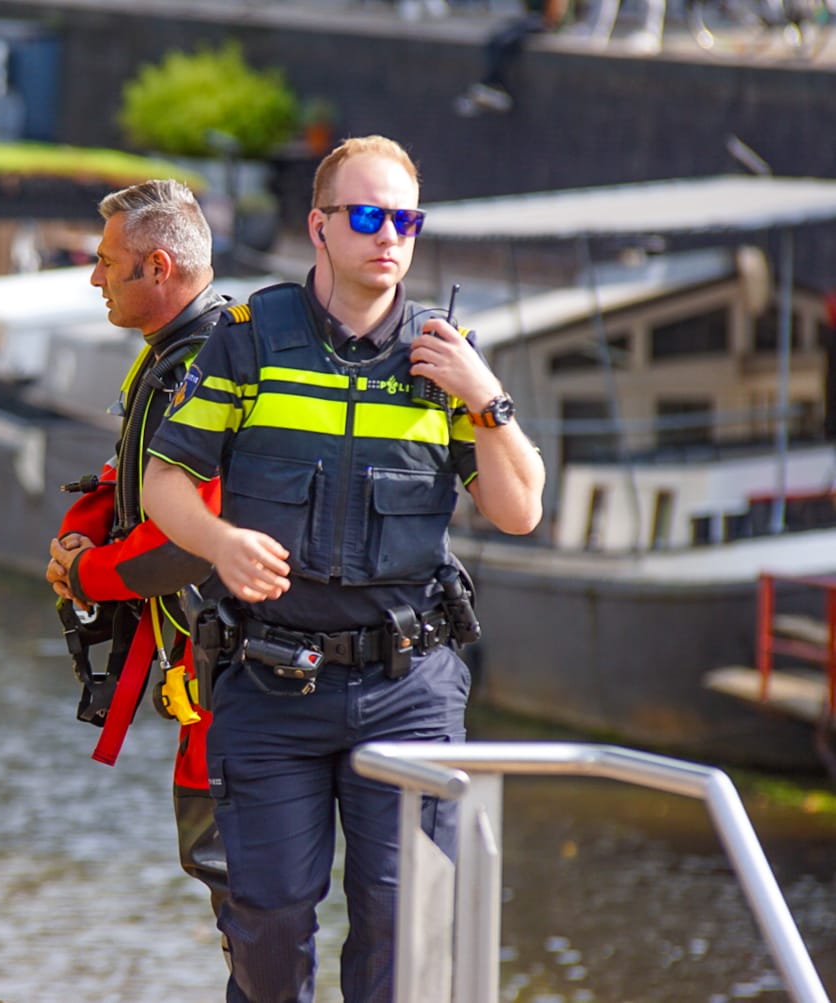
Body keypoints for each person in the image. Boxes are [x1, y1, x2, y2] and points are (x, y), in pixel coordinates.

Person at [141, 135, 545, 1003]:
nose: (389, 235)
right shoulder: (250, 340)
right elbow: (163, 480)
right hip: (270, 683)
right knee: (269, 924)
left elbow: (520, 509)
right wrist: (220, 542)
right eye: (367, 216)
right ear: (319, 226)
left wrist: (487, 398)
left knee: (403, 931)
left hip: (409, 691)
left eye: (406, 219)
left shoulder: (446, 358)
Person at [45, 179, 230, 922]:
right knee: (226, 874)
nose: (95, 277)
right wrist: (84, 528)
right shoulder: (178, 354)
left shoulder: (207, 369)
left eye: (105, 261)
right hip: (205, 662)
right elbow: (137, 468)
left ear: (158, 267)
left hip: (231, 672)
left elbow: (188, 538)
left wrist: (86, 570)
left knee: (235, 878)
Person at [454, 0, 572, 116]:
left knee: (505, 40)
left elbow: (554, 15)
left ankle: (493, 87)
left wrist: (547, 22)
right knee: (496, 39)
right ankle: (491, 85)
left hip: (544, 22)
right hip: (533, 19)